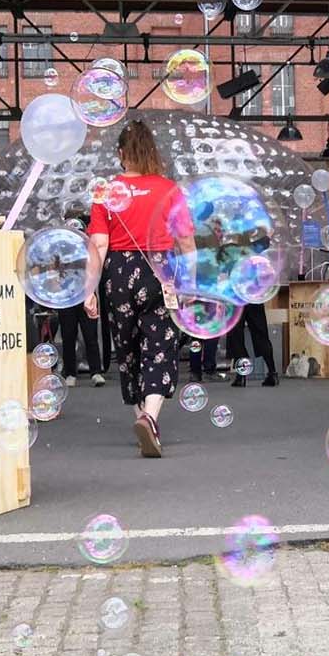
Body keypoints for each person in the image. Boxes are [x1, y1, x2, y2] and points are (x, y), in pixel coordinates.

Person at [85, 119, 194, 457]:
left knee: (127, 346)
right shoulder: (169, 189)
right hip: (160, 270)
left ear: (121, 153)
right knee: (160, 344)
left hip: (118, 272)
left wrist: (89, 289)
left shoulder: (106, 191)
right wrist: (191, 282)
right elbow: (186, 242)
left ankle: (142, 421)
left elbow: (98, 244)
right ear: (151, 151)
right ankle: (151, 417)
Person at [226, 302, 278, 387]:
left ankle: (241, 376)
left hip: (236, 299)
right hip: (253, 297)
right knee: (261, 334)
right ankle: (272, 373)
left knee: (236, 337)